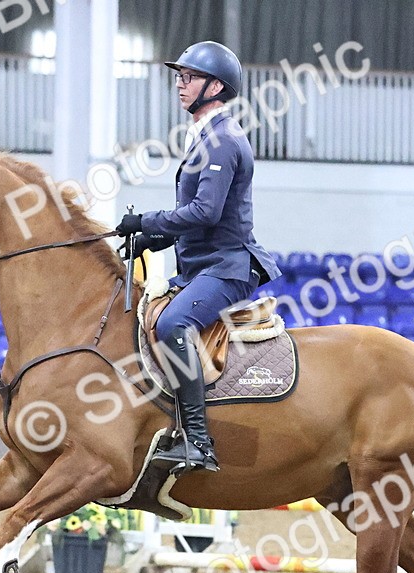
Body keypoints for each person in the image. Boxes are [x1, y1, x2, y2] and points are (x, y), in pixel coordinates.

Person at [115, 40, 281, 474]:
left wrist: (148, 222)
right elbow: (203, 220)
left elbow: (205, 211)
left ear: (215, 86)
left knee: (173, 324)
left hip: (228, 267)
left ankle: (199, 443)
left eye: (188, 77)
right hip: (205, 263)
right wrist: (152, 241)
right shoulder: (205, 138)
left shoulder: (223, 140)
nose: (180, 84)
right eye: (179, 77)